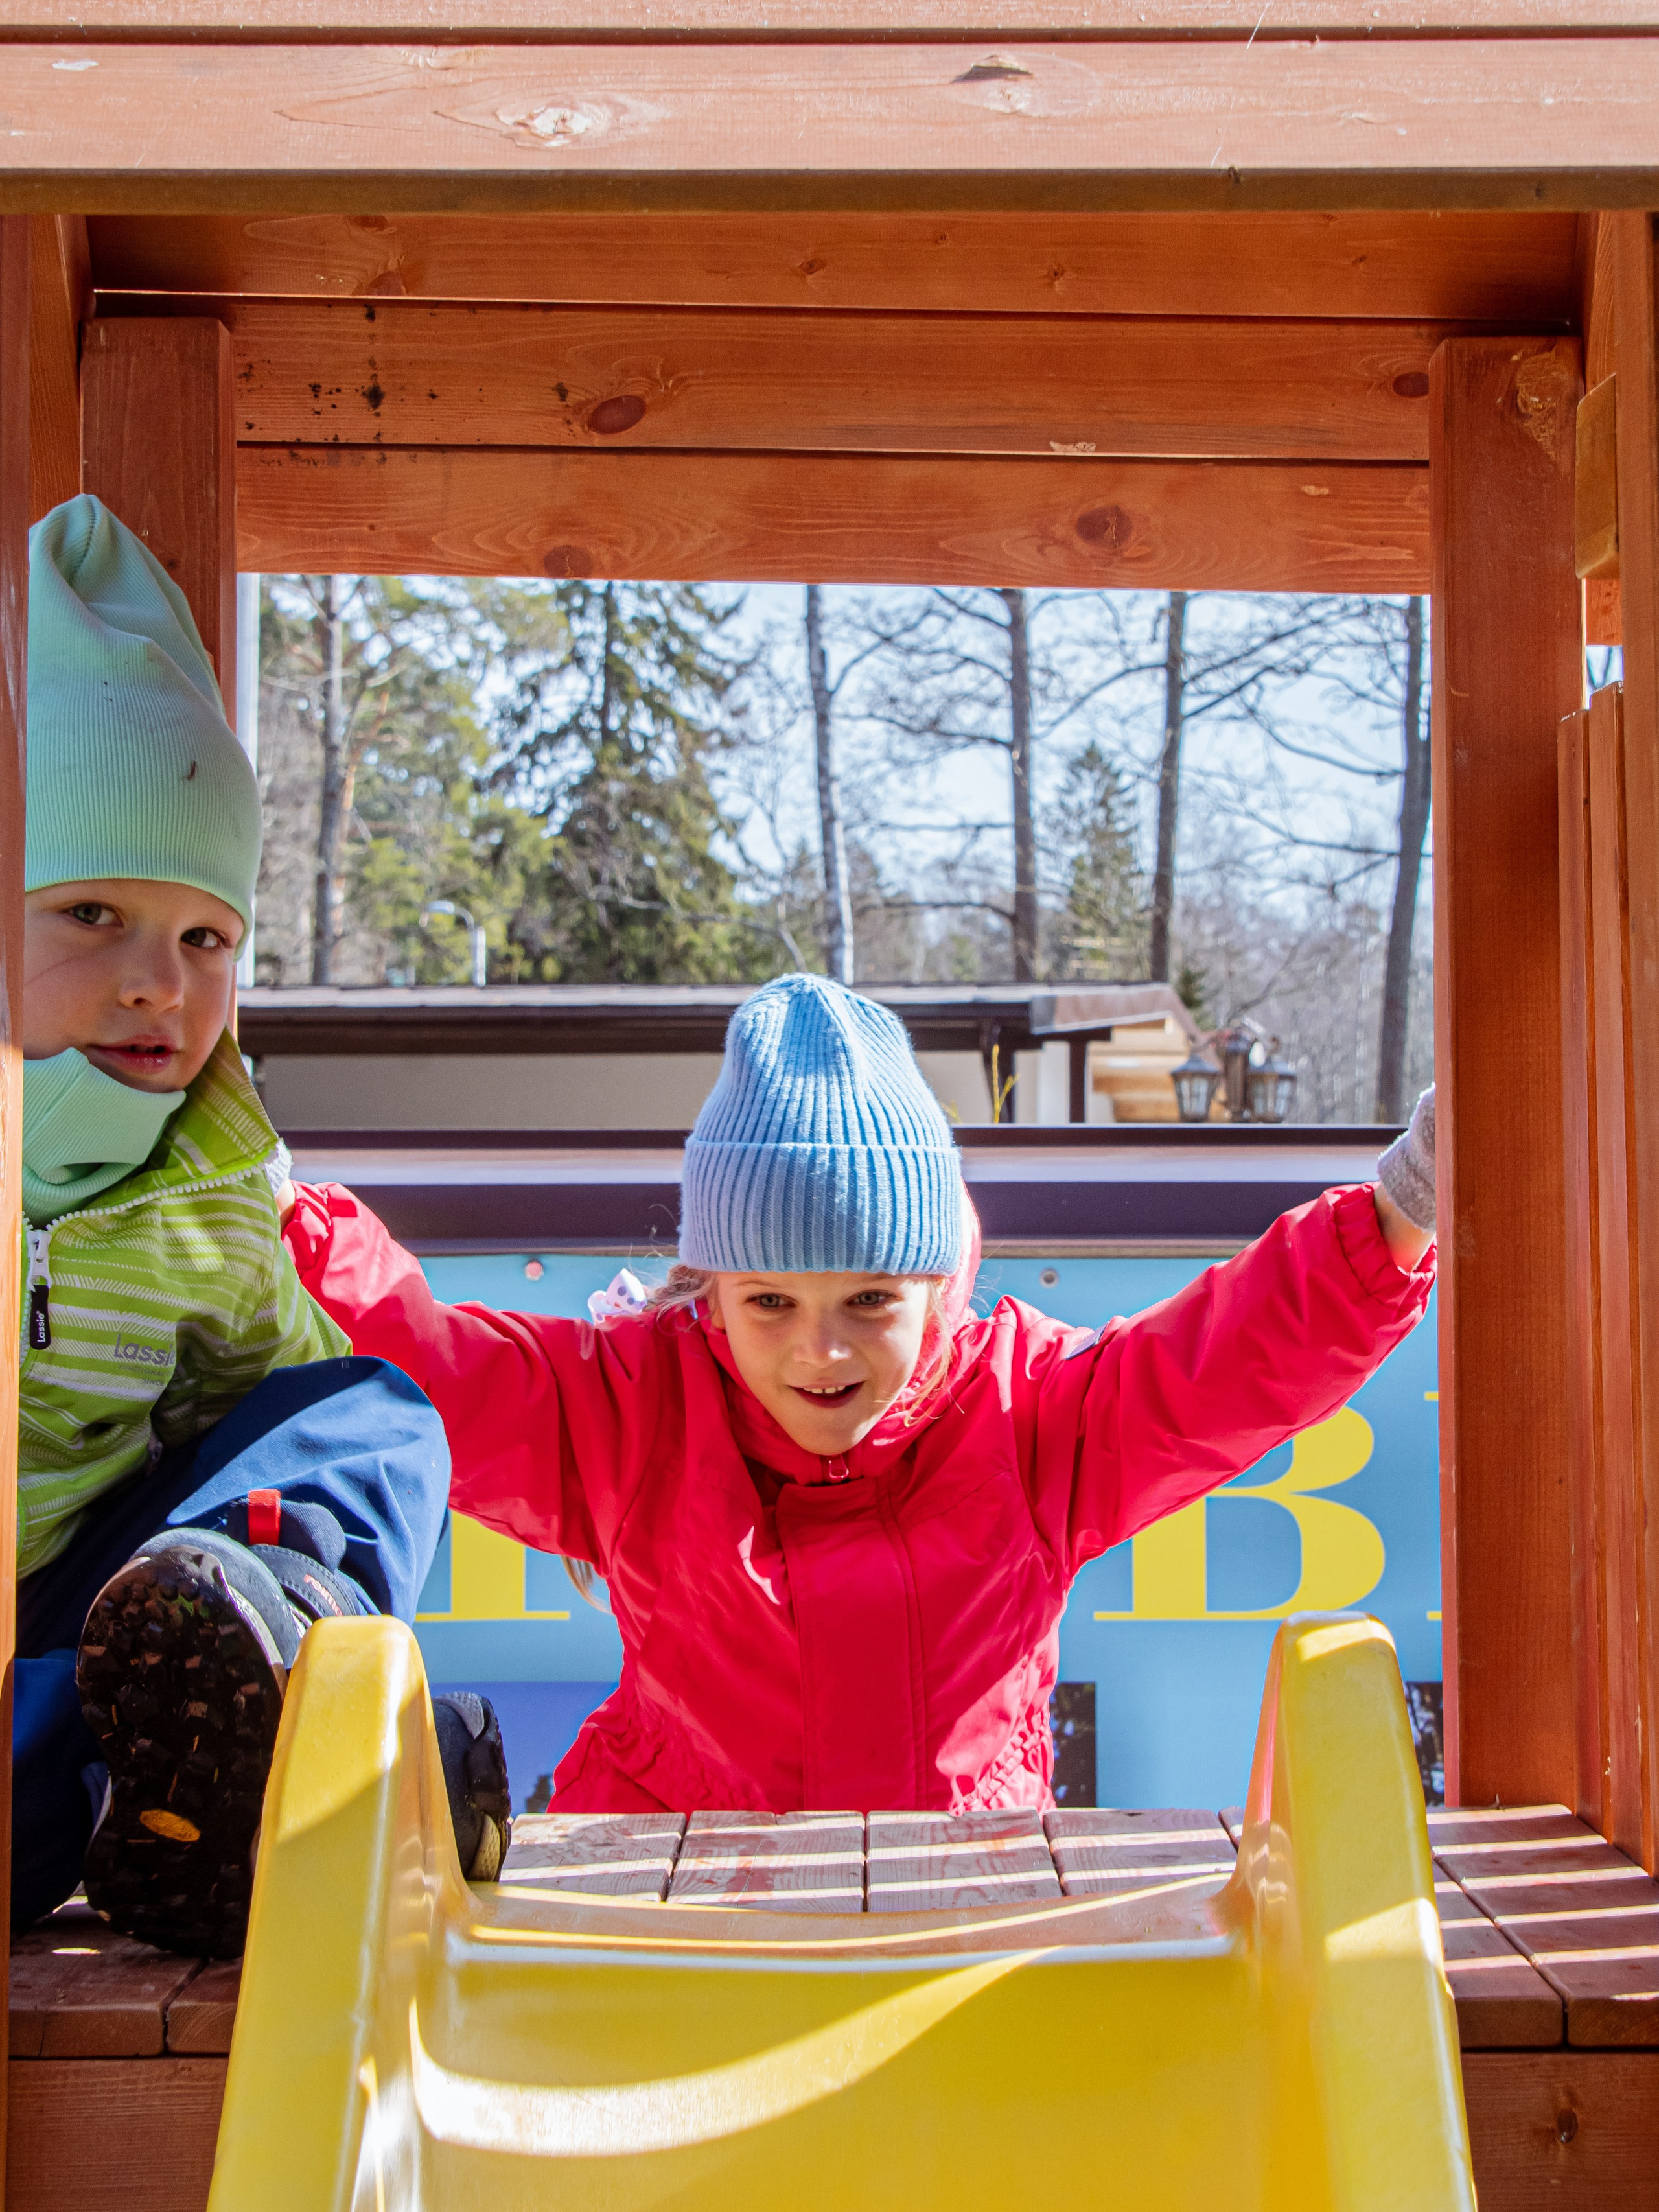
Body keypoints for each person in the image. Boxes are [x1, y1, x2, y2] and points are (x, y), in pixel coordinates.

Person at [281, 970, 1437, 1817]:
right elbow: (438, 1366)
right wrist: (276, 1210)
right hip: (675, 1895)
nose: (819, 1351)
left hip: (952, 1893)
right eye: (771, 1302)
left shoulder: (1030, 1416)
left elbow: (1219, 1366)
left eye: (870, 1299)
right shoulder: (636, 1410)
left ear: (940, 1283)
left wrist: (1406, 1206)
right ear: (713, 1288)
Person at [16, 495, 509, 1958]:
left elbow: (292, 1429)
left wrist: (256, 1567)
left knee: (373, 1411)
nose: (157, 981)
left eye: (204, 936)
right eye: (90, 913)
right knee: (47, 1778)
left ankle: (271, 1670)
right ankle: (317, 1787)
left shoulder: (209, 1192)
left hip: (103, 1636)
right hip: (28, 1727)